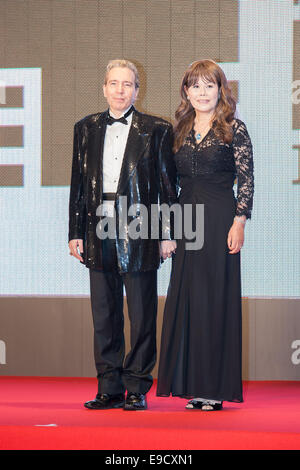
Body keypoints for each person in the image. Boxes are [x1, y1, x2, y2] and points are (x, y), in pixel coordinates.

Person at [68, 59, 177, 411]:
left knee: (142, 312)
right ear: (104, 88)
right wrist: (75, 232)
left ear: (136, 89)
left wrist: (167, 233)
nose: (119, 90)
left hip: (141, 222)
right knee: (104, 312)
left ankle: (136, 387)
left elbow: (166, 187)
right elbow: (78, 186)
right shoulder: (84, 128)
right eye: (113, 84)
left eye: (126, 84)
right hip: (97, 222)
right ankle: (109, 386)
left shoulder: (157, 130)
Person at [156, 59, 254, 410]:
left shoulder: (234, 129)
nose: (202, 92)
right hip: (185, 220)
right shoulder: (178, 130)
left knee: (215, 300)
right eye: (195, 85)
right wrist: (166, 231)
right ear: (186, 91)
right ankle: (191, 385)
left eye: (209, 85)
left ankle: (213, 387)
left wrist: (239, 221)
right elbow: (168, 185)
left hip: (218, 218)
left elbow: (247, 180)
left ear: (220, 90)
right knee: (188, 301)